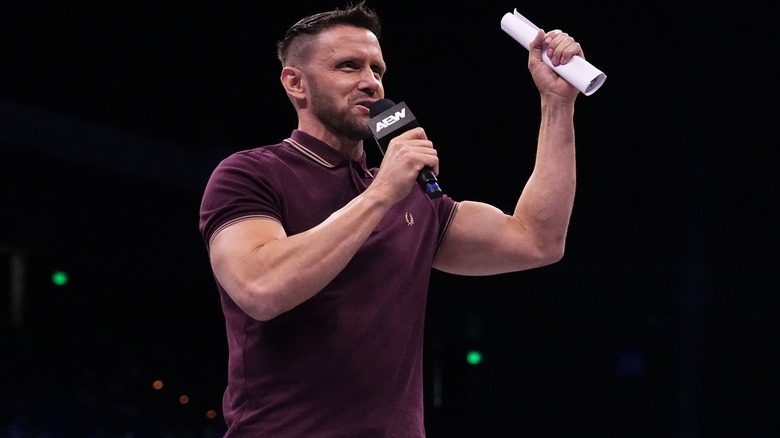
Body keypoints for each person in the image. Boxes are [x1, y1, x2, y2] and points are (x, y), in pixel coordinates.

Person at [199, 1, 583, 435]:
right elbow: (261, 289)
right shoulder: (251, 173)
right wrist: (382, 192)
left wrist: (556, 103)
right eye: (348, 67)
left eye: (377, 70)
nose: (370, 83)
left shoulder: (415, 194)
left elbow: (538, 240)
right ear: (295, 83)